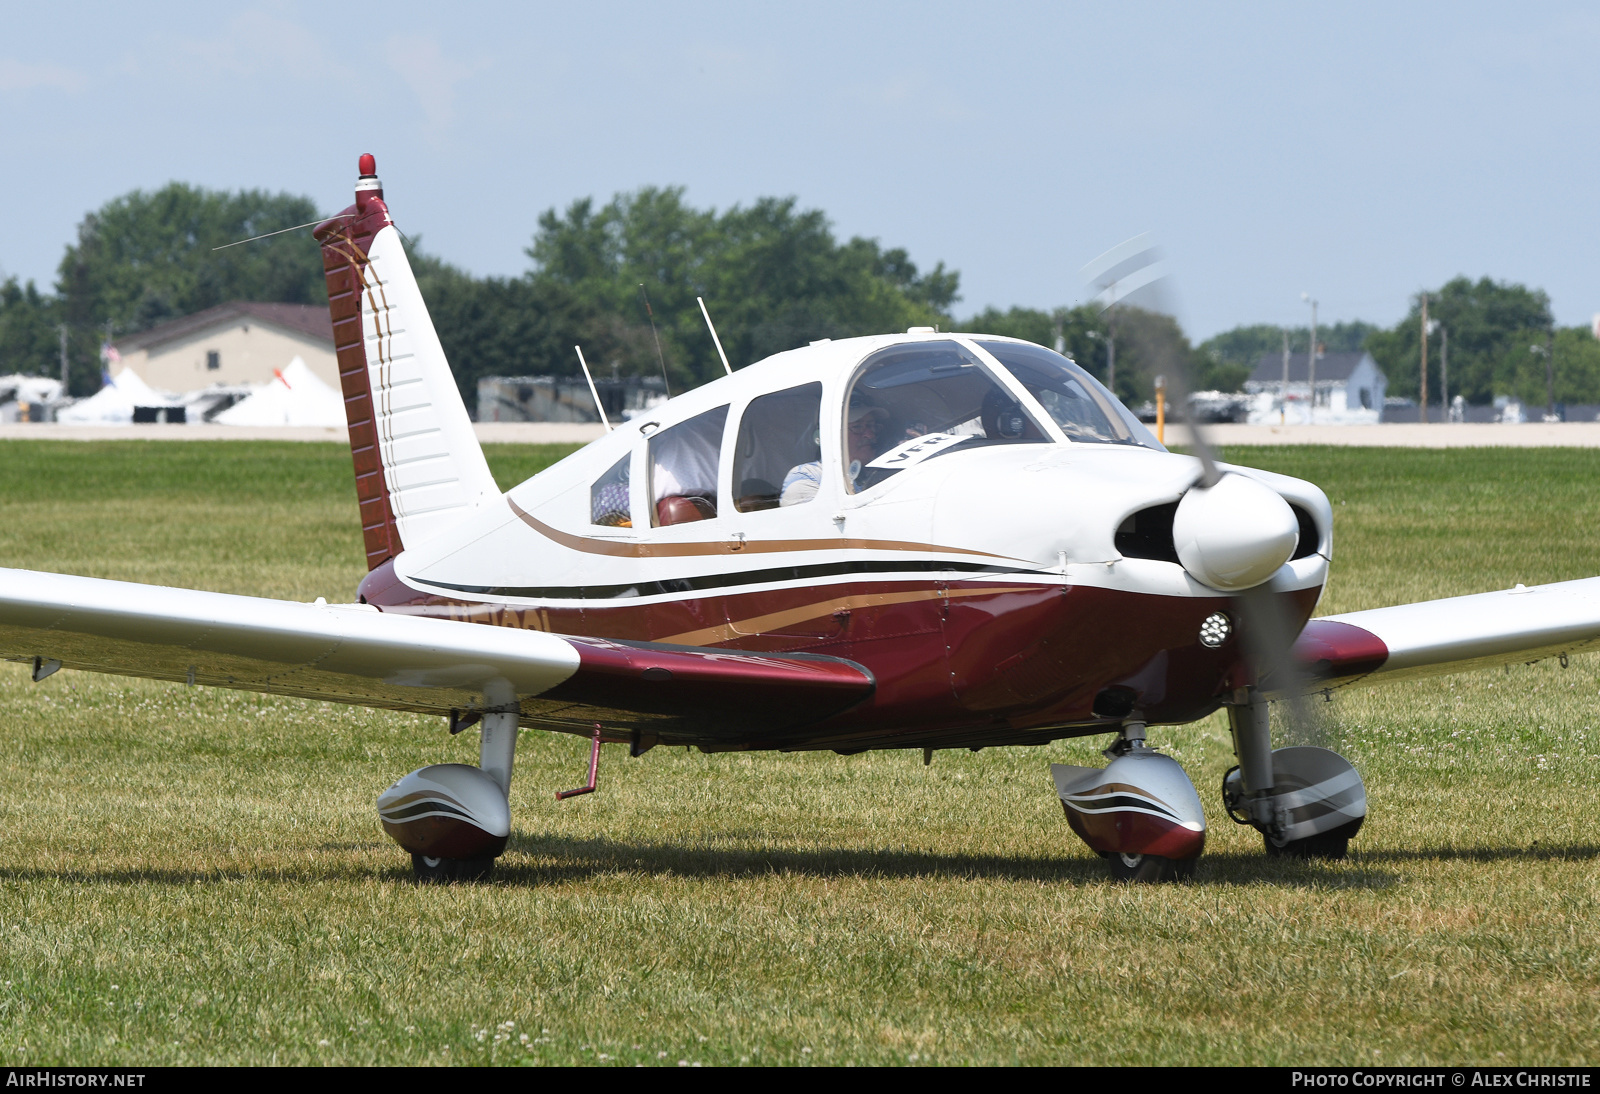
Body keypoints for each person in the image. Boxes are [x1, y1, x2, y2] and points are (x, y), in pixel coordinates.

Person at [780, 397, 886, 505]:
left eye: (871, 426)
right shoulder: (808, 476)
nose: (870, 435)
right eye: (857, 427)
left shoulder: (879, 471)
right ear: (830, 436)